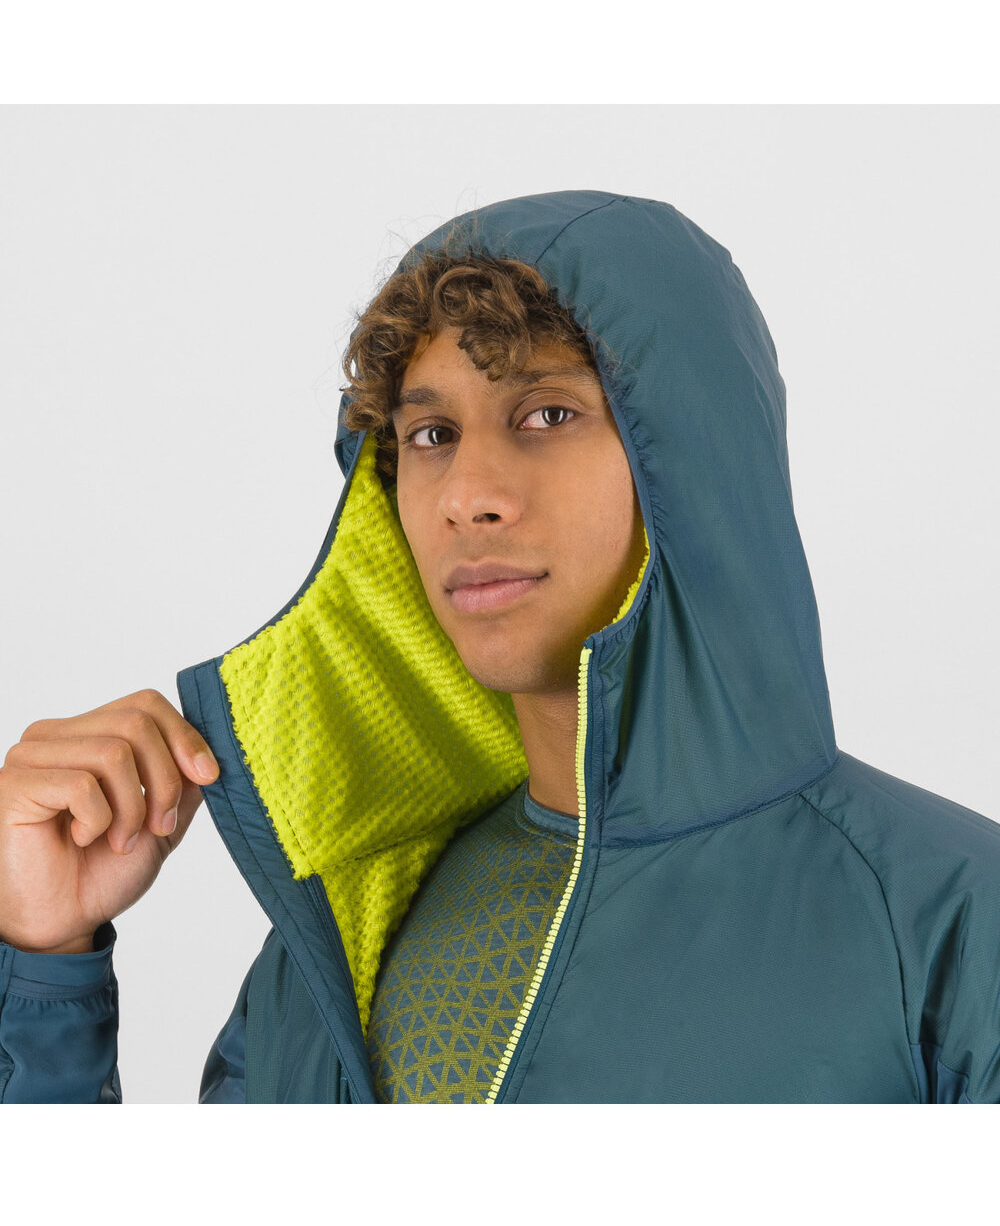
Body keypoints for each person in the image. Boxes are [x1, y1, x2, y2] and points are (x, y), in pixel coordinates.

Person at [1, 189, 999, 1104]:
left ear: (692, 460)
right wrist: (46, 966)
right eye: (430, 435)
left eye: (546, 414)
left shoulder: (951, 923)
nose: (467, 496)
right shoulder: (350, 927)